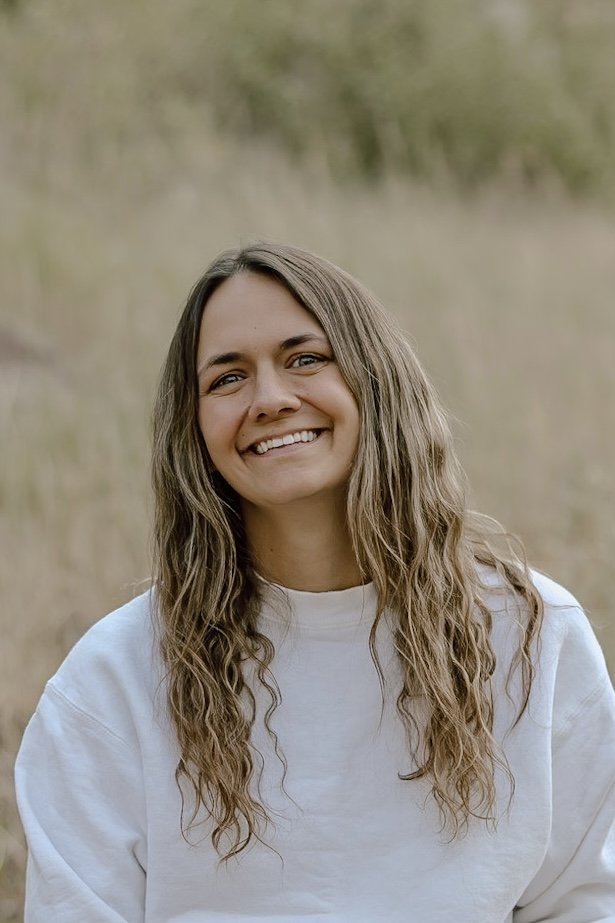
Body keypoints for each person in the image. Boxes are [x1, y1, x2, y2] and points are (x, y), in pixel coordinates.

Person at [15, 242, 615, 922]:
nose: (270, 399)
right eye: (226, 378)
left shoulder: (530, 638)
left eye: (304, 358)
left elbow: (586, 902)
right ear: (194, 429)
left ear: (373, 379)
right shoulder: (111, 681)